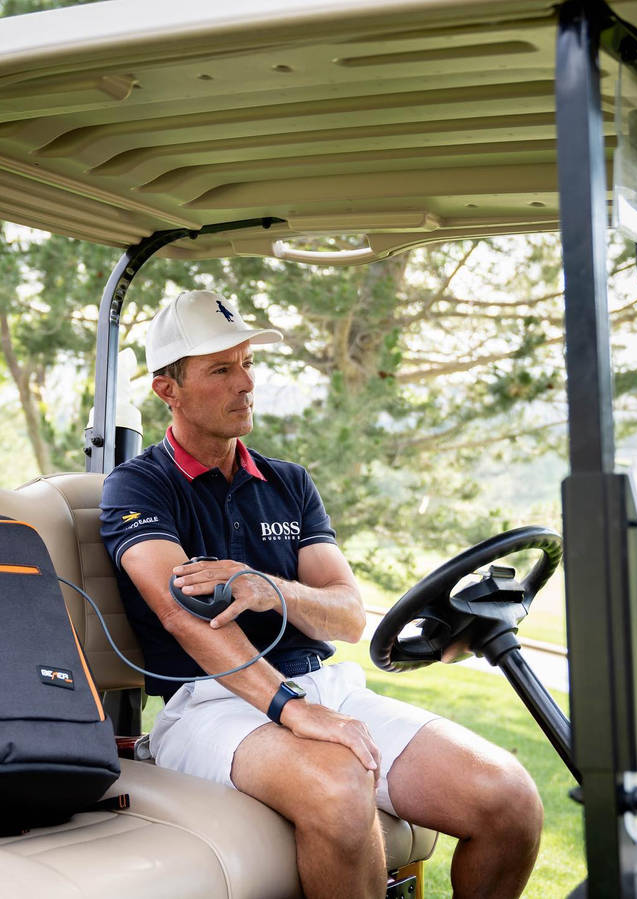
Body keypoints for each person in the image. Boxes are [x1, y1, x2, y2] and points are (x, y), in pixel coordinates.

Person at [100, 289, 543, 899]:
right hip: (206, 702)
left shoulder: (288, 483)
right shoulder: (139, 486)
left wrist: (271, 591)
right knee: (340, 786)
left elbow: (348, 614)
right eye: (221, 370)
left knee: (509, 800)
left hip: (321, 686)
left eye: (248, 363)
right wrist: (290, 709)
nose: (245, 384)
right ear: (167, 390)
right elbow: (185, 617)